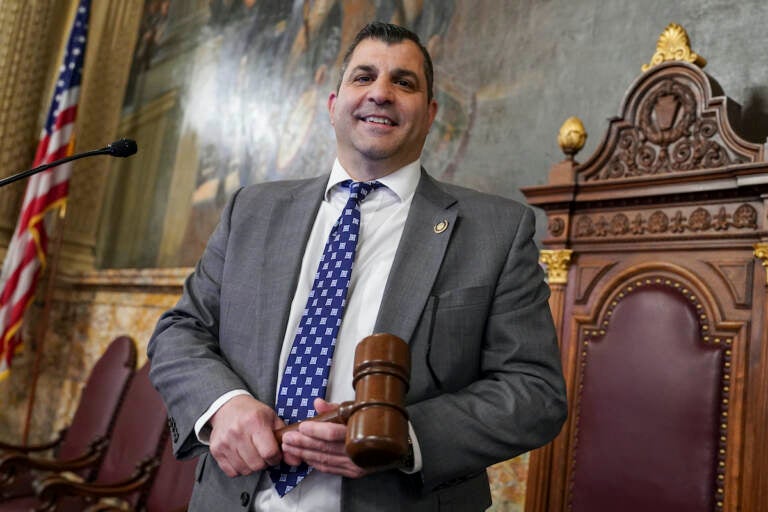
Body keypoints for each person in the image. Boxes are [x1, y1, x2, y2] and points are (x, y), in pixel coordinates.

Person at [147, 21, 567, 512]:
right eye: (363, 77)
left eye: (404, 82)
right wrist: (222, 405)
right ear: (332, 105)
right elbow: (180, 330)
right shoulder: (252, 210)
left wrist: (402, 435)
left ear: (431, 114)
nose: (381, 94)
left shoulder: (496, 231)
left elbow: (534, 392)